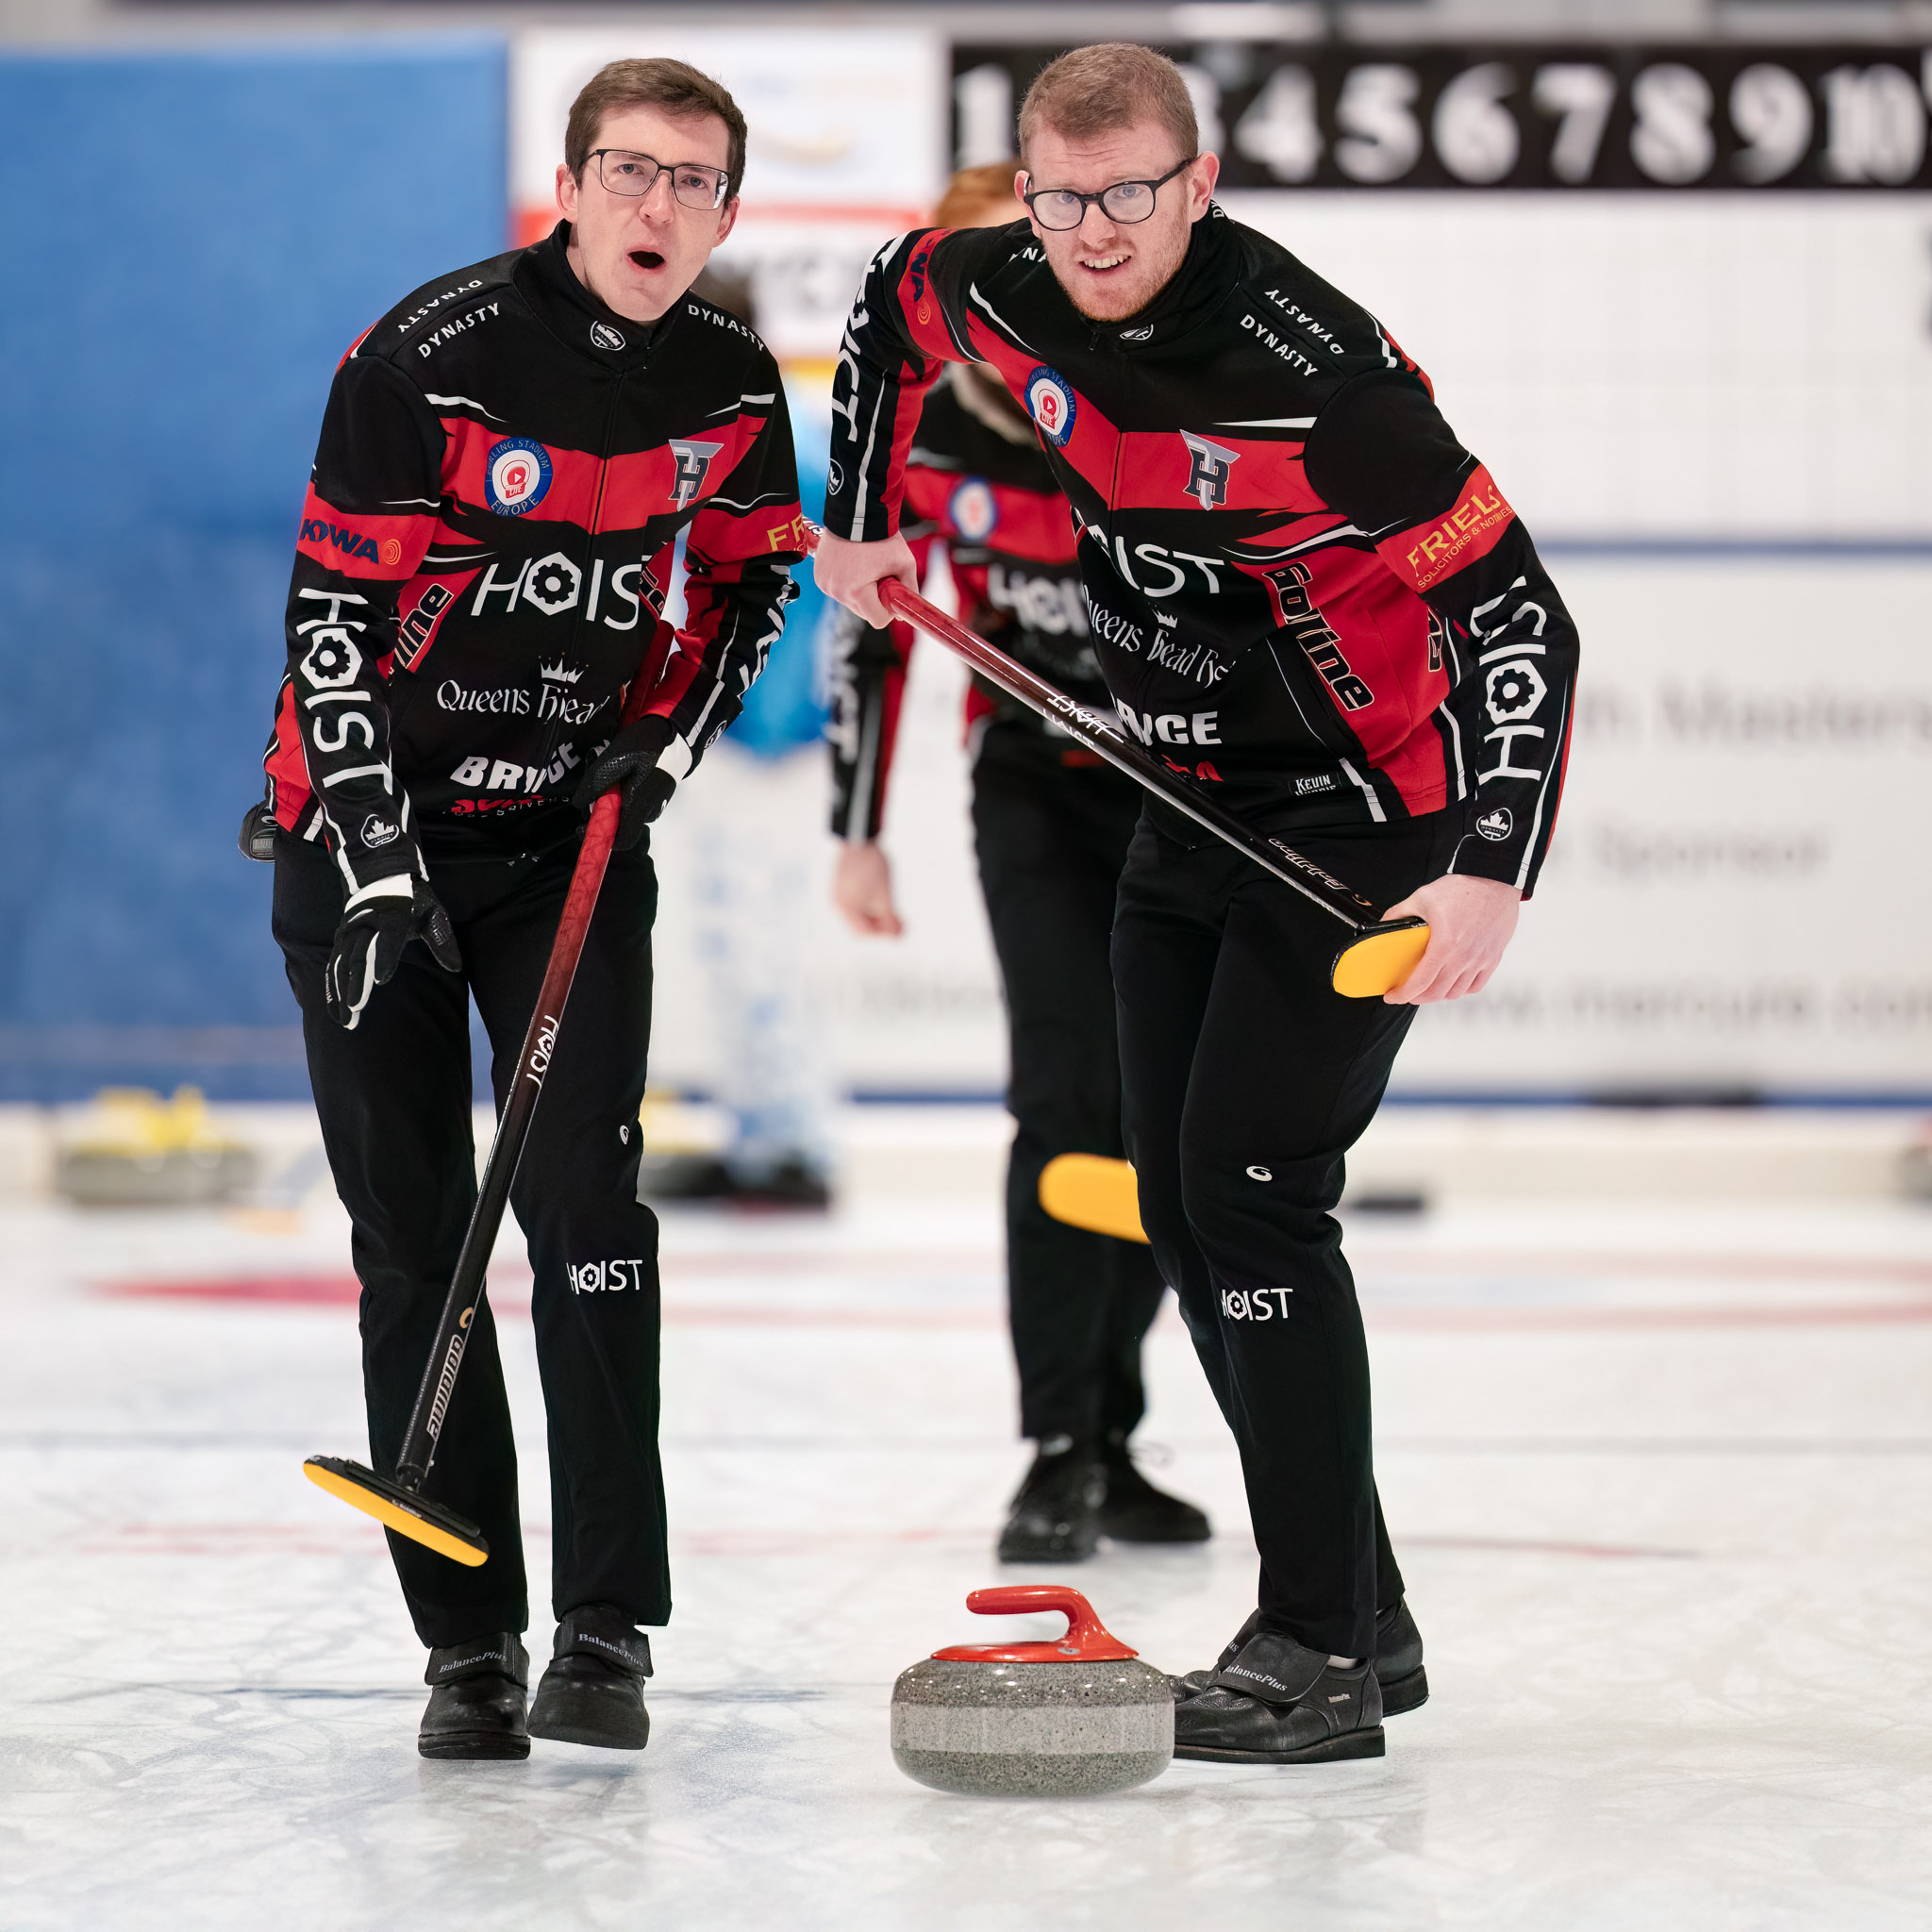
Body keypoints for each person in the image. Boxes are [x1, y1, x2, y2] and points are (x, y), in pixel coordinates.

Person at [814, 42, 1578, 1764]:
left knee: (1250, 1195)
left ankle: (1315, 1646)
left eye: (1132, 195)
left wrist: (1490, 866)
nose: (1094, 232)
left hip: (1358, 827)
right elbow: (883, 302)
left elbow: (1524, 620)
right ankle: (1362, 1614)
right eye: (1063, 197)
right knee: (1173, 1201)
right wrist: (858, 523)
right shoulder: (1004, 283)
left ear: (1200, 182)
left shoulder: (1323, 385)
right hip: (1181, 806)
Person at [244, 58, 804, 1761]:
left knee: (587, 1217)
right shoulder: (424, 358)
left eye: (695, 183)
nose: (660, 207)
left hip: (568, 849)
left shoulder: (730, 381)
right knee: (415, 1241)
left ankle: (608, 1629)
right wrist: (373, 856)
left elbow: (753, 585)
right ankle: (468, 1644)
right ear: (570, 187)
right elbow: (331, 622)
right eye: (631, 172)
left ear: (725, 211)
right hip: (370, 846)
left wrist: (667, 743)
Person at [825, 162, 1209, 1563]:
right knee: (1063, 1095)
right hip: (1035, 793)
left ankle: (1112, 1431)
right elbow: (870, 628)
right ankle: (1055, 1447)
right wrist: (856, 830)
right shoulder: (919, 433)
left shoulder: (1147, 402)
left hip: (1182, 795)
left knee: (1168, 1117)